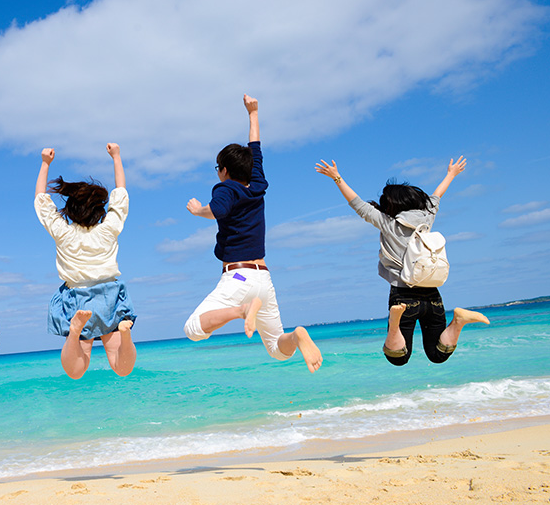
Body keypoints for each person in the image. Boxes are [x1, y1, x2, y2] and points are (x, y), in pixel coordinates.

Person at [184, 95, 323, 373]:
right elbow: (255, 148)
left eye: (218, 169)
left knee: (193, 329)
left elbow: (219, 210)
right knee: (278, 350)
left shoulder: (225, 189)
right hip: (263, 276)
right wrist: (254, 113)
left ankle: (242, 311)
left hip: (238, 276)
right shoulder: (256, 184)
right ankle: (296, 336)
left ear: (223, 171)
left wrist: (199, 210)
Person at [315, 156, 489, 366]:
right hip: (432, 293)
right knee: (437, 355)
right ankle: (459, 321)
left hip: (403, 295)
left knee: (398, 358)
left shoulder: (388, 223)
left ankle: (395, 322)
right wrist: (451, 174)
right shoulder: (427, 216)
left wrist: (337, 177)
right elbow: (437, 195)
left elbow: (358, 204)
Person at [35, 143, 137, 379]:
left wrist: (44, 163)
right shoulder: (108, 229)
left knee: (76, 372)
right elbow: (120, 193)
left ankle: (74, 333)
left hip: (78, 297)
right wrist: (116, 156)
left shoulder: (63, 232)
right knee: (122, 369)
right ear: (100, 210)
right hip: (109, 295)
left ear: (69, 210)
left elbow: (41, 200)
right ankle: (126, 334)